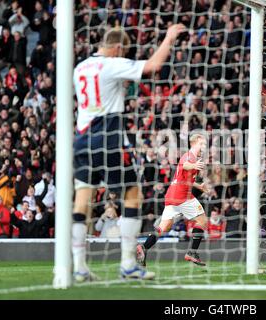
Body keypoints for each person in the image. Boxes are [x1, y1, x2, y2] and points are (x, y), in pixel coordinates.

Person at [71, 24, 186, 282]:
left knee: (82, 202)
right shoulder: (111, 64)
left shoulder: (80, 67)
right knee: (133, 195)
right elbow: (153, 66)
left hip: (81, 140)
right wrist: (168, 37)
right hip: (107, 138)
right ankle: (127, 264)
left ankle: (78, 267)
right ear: (118, 48)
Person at [137, 133, 210, 267]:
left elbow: (185, 177)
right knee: (202, 220)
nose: (203, 147)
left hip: (172, 194)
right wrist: (193, 166)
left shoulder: (193, 157)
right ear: (194, 143)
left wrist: (199, 185)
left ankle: (144, 247)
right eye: (201, 144)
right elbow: (185, 165)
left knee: (164, 227)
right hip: (183, 196)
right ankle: (192, 252)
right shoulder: (190, 156)